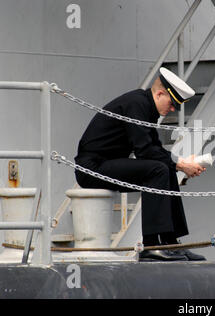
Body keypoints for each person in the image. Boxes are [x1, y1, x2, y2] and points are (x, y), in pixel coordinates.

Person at [74, 67, 206, 262]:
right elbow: (144, 150)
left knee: (165, 167)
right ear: (160, 93)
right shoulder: (137, 104)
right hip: (92, 168)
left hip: (106, 163)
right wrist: (180, 164)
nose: (172, 110)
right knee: (158, 169)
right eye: (172, 104)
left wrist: (179, 163)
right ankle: (151, 246)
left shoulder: (145, 107)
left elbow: (154, 148)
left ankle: (172, 243)